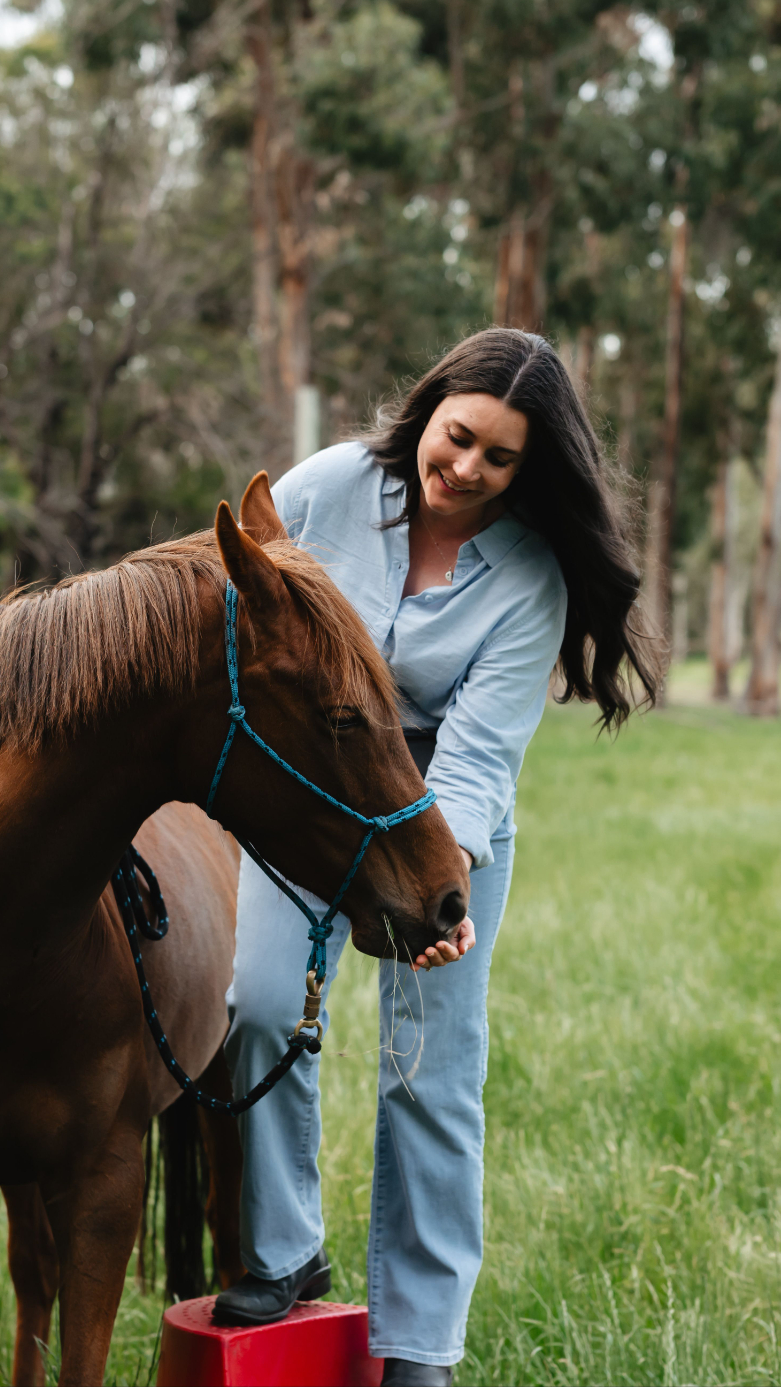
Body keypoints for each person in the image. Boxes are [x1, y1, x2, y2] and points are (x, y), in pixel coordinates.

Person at [212, 329, 662, 1386]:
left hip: (436, 814)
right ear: (429, 410)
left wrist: (440, 890)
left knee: (430, 1075)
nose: (465, 468)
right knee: (261, 1004)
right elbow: (242, 616)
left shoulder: (531, 577)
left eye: (499, 458)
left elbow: (476, 760)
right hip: (313, 792)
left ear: (529, 469)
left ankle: (419, 1344)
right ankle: (282, 1252)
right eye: (457, 437)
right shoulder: (328, 489)